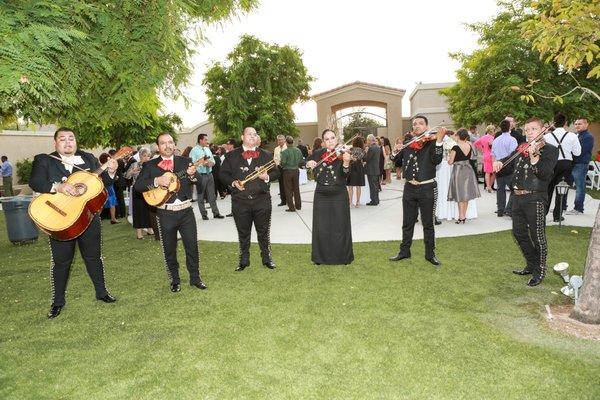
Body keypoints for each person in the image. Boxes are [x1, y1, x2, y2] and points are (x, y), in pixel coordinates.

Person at [29, 127, 118, 319]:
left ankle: (102, 293)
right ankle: (57, 302)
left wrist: (110, 173)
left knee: (94, 257)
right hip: (60, 219)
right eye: (63, 139)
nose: (68, 142)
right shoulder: (44, 159)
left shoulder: (88, 158)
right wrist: (58, 187)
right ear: (55, 143)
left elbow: (101, 186)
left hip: (87, 219)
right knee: (61, 263)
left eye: (71, 138)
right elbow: (35, 182)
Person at [134, 133, 208, 293]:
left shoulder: (186, 162)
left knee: (192, 246)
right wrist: (156, 181)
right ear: (158, 147)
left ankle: (195, 278)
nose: (167, 146)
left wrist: (193, 174)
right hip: (165, 213)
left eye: (170, 142)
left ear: (174, 145)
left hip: (186, 211)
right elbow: (138, 186)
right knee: (169, 249)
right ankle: (174, 280)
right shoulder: (150, 165)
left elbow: (201, 184)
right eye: (163, 143)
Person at [493, 118, 558, 286]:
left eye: (533, 129)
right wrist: (499, 162)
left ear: (543, 129)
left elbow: (544, 174)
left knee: (538, 236)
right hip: (517, 197)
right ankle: (531, 264)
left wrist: (534, 155)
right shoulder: (520, 148)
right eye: (527, 129)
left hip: (535, 197)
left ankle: (540, 270)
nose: (529, 132)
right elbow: (509, 163)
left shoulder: (550, 150)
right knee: (518, 233)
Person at [220, 127, 279, 271]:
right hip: (240, 201)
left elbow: (277, 172)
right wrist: (233, 183)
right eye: (249, 134)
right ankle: (244, 260)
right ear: (242, 137)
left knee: (264, 232)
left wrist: (267, 177)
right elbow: (222, 174)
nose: (252, 136)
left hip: (262, 200)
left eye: (255, 134)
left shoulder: (266, 154)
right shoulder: (231, 155)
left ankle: (267, 258)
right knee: (243, 233)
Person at [389, 116, 446, 266]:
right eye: (414, 124)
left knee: (428, 224)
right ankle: (404, 251)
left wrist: (439, 141)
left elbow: (437, 160)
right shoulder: (409, 144)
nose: (417, 126)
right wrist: (395, 151)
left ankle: (430, 254)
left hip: (427, 188)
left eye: (421, 123)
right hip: (409, 188)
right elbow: (396, 161)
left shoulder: (433, 142)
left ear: (427, 126)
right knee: (407, 223)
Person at [306, 129, 353, 265]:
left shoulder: (343, 153)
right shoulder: (318, 153)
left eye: (332, 138)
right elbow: (302, 162)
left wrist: (345, 163)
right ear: (323, 142)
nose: (330, 141)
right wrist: (308, 164)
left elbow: (346, 176)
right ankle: (320, 258)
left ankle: (343, 257)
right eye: (327, 139)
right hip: (321, 194)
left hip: (339, 194)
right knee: (321, 227)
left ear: (337, 140)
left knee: (340, 225)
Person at [544, 113, 581, 222]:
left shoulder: (547, 136)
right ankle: (557, 216)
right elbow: (577, 153)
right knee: (562, 190)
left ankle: (543, 214)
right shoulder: (572, 136)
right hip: (565, 164)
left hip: (550, 164)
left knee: (547, 190)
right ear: (565, 123)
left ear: (554, 123)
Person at [447, 129, 480, 223]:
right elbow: (470, 158)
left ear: (458, 136)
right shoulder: (469, 145)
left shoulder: (455, 147)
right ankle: (463, 216)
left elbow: (450, 162)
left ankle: (461, 217)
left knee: (460, 194)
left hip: (458, 171)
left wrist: (449, 156)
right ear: (466, 137)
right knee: (466, 194)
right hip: (468, 170)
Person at [189, 133, 225, 220]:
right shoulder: (194, 151)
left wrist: (210, 163)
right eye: (205, 139)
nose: (207, 141)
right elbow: (192, 163)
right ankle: (204, 214)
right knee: (200, 195)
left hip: (210, 174)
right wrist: (202, 163)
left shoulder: (207, 149)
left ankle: (216, 213)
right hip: (200, 175)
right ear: (200, 140)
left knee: (212, 195)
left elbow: (213, 161)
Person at [125, 147, 154, 239]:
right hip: (137, 190)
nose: (146, 158)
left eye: (148, 156)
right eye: (144, 156)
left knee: (149, 209)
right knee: (138, 211)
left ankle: (150, 229)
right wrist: (132, 172)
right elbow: (127, 176)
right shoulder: (134, 164)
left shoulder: (150, 165)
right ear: (140, 156)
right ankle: (139, 233)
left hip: (148, 189)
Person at [567, 117, 594, 215]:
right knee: (565, 185)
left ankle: (578, 209)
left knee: (579, 187)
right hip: (571, 164)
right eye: (576, 124)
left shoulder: (588, 137)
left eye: (580, 124)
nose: (577, 125)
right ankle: (562, 206)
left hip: (580, 165)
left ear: (586, 124)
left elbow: (579, 152)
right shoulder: (574, 135)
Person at [492, 120, 518, 217]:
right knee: (514, 189)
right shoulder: (512, 140)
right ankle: (508, 208)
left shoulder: (496, 140)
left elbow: (493, 154)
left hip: (498, 166)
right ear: (509, 127)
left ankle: (500, 210)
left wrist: (494, 165)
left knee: (500, 189)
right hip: (508, 166)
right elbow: (513, 155)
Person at [280, 136, 304, 212]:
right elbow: (301, 161)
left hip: (287, 171)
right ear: (293, 142)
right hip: (296, 171)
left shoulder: (285, 152)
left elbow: (283, 163)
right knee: (296, 188)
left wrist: (282, 163)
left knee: (288, 189)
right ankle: (298, 205)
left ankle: (291, 207)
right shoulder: (298, 150)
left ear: (286, 143)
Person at [474, 125, 496, 193]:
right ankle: (489, 187)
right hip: (492, 156)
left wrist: (482, 150)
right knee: (494, 172)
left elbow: (475, 143)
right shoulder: (493, 138)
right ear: (492, 131)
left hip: (485, 155)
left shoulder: (483, 137)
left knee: (487, 172)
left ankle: (488, 187)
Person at [99, 153, 120, 224]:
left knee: (103, 205)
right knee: (110, 204)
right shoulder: (104, 168)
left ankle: (113, 219)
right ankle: (113, 218)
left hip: (106, 187)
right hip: (107, 188)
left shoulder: (101, 168)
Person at [347, 136, 366, 207]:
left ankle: (350, 202)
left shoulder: (350, 150)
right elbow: (364, 160)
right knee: (358, 186)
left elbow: (348, 158)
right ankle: (358, 202)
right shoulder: (362, 151)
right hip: (359, 168)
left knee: (350, 187)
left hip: (351, 167)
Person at [364, 134, 381, 205]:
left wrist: (365, 152)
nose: (367, 142)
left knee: (372, 186)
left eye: (367, 140)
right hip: (376, 169)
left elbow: (367, 159)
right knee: (376, 186)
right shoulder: (377, 147)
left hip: (371, 170)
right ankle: (377, 200)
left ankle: (373, 201)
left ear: (370, 140)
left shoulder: (371, 148)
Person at [273, 134, 287, 207]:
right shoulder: (276, 149)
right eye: (279, 140)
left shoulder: (287, 147)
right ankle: (283, 200)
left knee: (287, 185)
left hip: (287, 168)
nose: (280, 141)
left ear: (284, 140)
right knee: (281, 185)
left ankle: (289, 200)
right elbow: (275, 159)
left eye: (281, 139)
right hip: (279, 168)